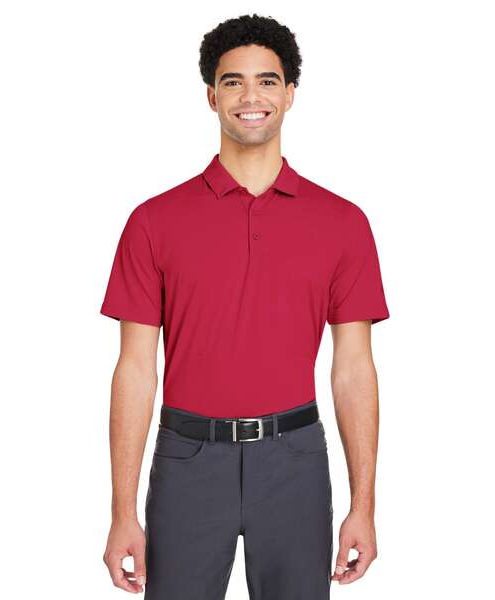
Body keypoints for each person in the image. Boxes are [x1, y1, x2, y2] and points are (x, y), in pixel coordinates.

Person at [100, 13, 390, 599]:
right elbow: (135, 368)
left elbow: (354, 367)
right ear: (212, 96)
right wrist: (122, 511)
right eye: (233, 82)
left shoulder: (343, 223)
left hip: (295, 461)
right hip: (186, 460)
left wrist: (364, 505)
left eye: (267, 81)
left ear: (290, 94)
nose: (251, 96)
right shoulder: (154, 221)